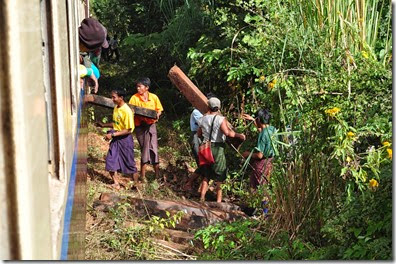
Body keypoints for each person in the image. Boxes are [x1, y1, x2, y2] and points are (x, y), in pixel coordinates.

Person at [198, 97, 246, 203]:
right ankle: (219, 201)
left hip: (205, 147)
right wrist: (240, 135)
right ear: (218, 107)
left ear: (208, 106)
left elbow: (199, 134)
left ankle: (202, 198)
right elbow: (228, 133)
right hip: (217, 148)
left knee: (206, 174)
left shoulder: (202, 118)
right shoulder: (220, 119)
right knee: (220, 175)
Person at [96, 90, 138, 190]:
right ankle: (116, 183)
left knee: (129, 162)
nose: (112, 99)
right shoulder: (116, 108)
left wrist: (113, 135)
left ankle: (136, 184)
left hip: (125, 140)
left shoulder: (126, 111)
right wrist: (103, 125)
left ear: (121, 98)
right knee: (110, 160)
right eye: (112, 97)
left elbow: (128, 130)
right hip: (116, 138)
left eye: (114, 97)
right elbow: (116, 124)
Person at [129, 77, 163, 182]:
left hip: (151, 125)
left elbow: (159, 109)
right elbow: (130, 110)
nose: (138, 88)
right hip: (140, 126)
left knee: (154, 149)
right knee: (144, 148)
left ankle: (157, 175)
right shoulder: (134, 98)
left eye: (140, 86)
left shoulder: (154, 97)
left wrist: (158, 114)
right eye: (137, 86)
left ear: (146, 87)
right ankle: (142, 176)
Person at [242, 108, 276, 190]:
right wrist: (253, 120)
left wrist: (248, 154)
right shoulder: (272, 129)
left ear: (259, 120)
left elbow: (260, 155)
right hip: (270, 161)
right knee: (265, 184)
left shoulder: (263, 134)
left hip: (262, 164)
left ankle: (261, 202)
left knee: (258, 186)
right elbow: (262, 130)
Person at [78, 17, 109, 93]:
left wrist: (89, 72)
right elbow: (73, 70)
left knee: (95, 73)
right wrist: (89, 72)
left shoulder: (79, 46)